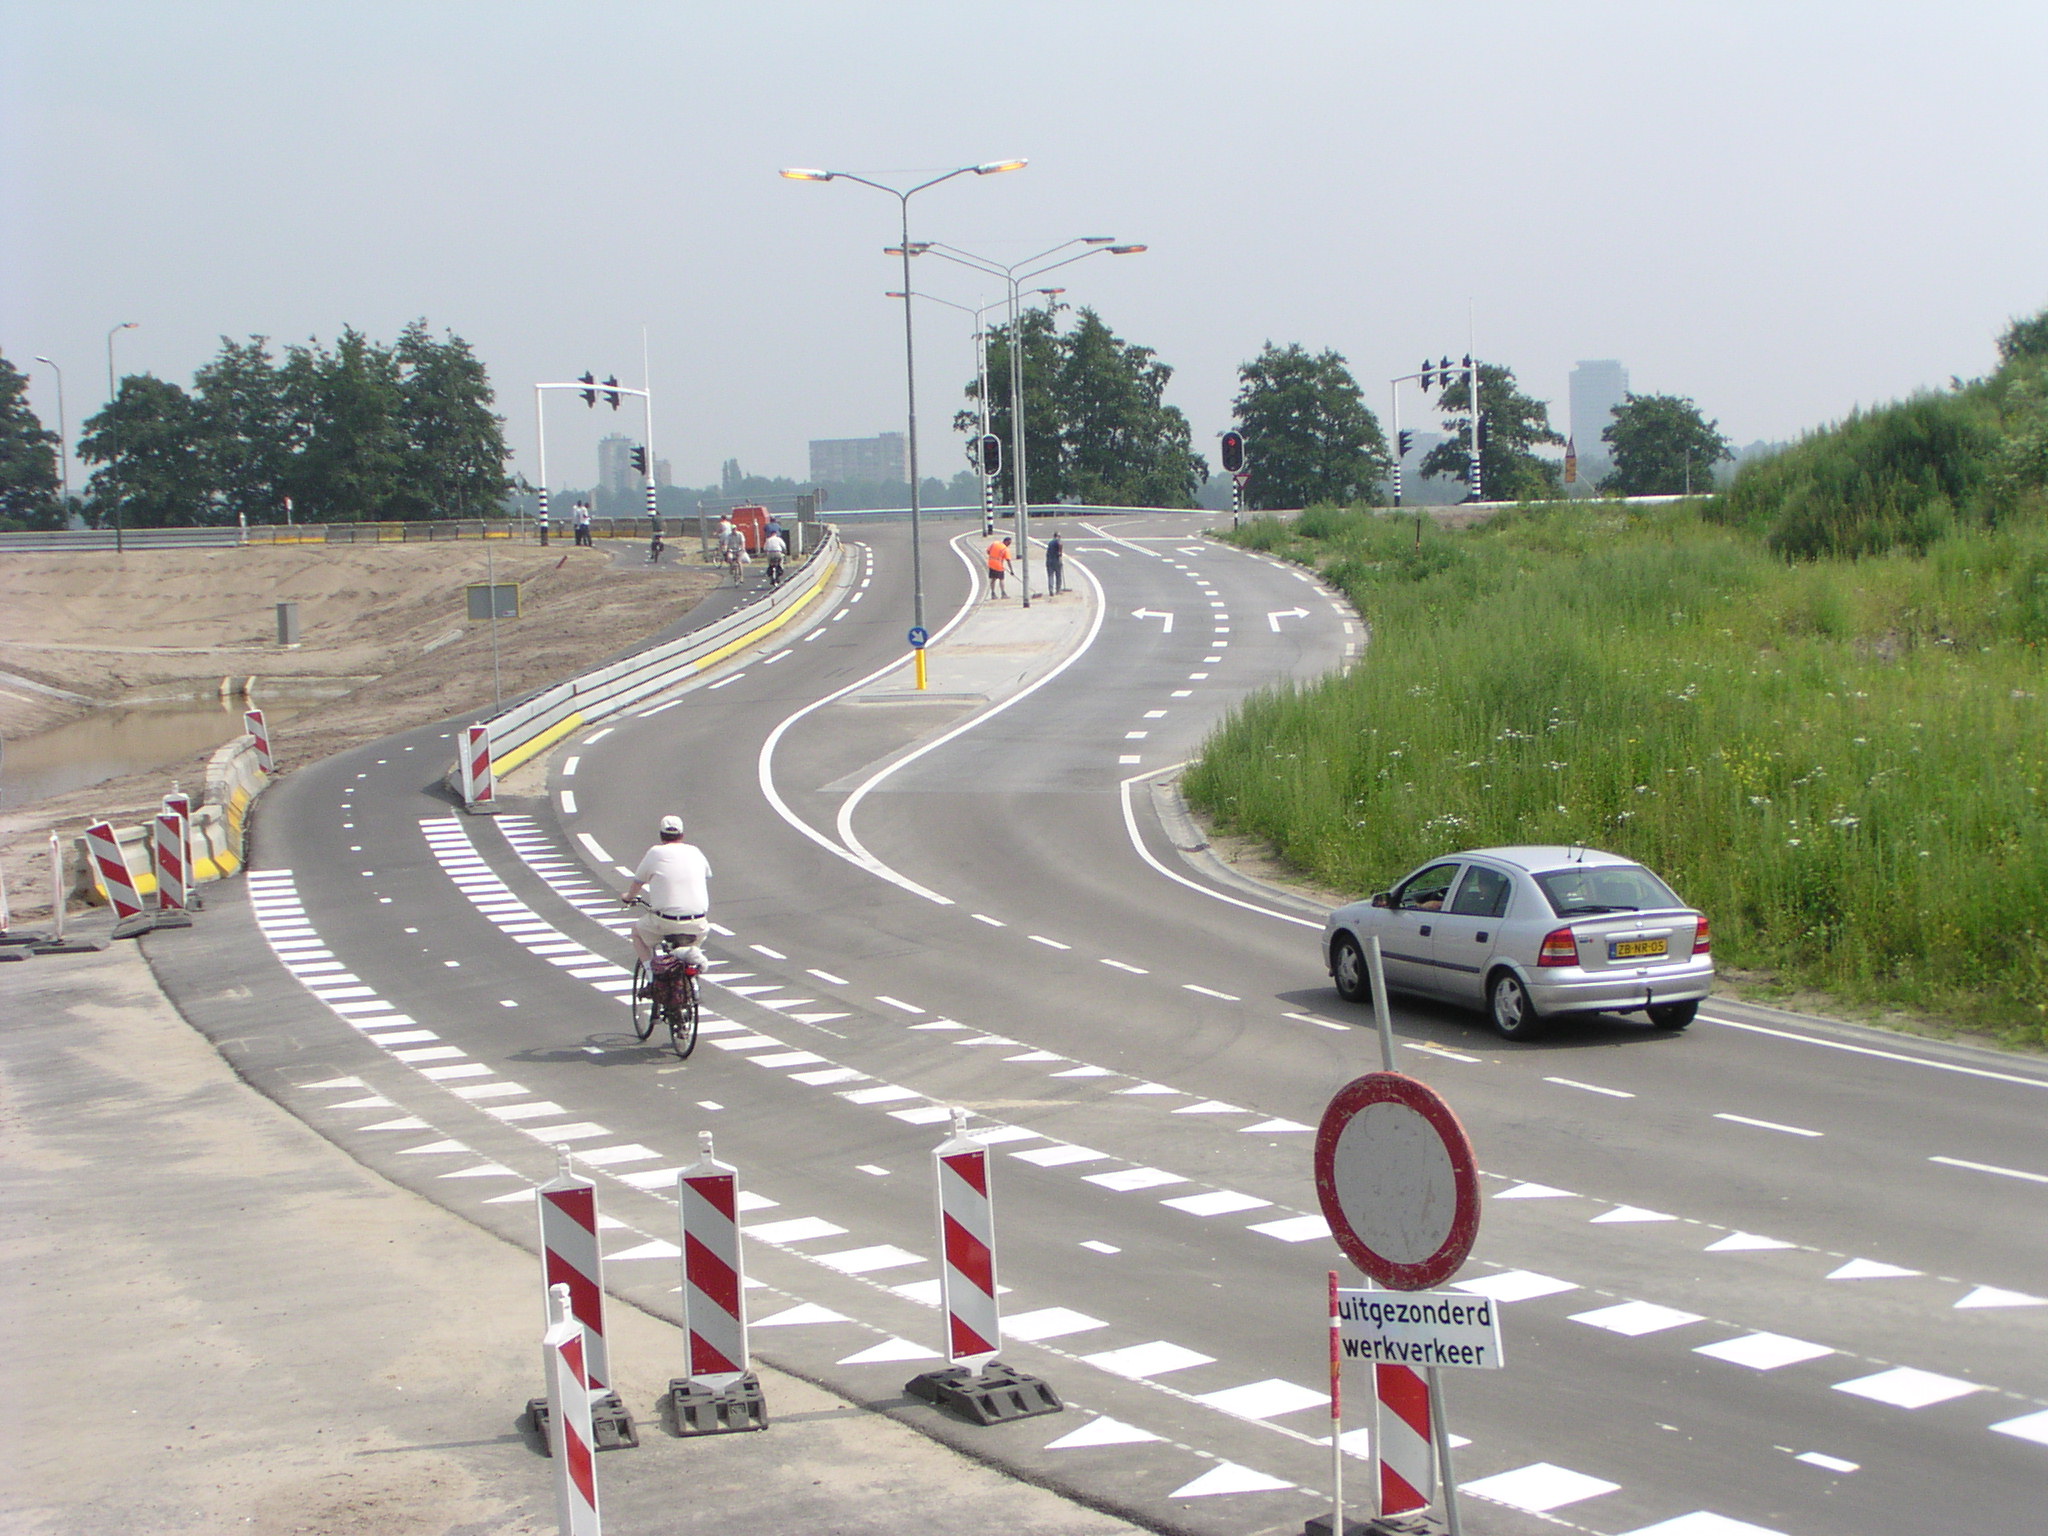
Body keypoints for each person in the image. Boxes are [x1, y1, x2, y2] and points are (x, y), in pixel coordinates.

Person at [622, 814, 712, 972]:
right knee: (693, 948)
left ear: (661, 835)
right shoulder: (695, 851)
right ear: (682, 835)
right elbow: (707, 874)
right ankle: (692, 970)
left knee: (636, 933)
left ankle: (651, 973)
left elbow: (638, 882)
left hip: (665, 922)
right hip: (698, 923)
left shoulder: (655, 853)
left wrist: (628, 897)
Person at [1044, 531, 1065, 596]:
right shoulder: (1057, 541)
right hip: (1056, 560)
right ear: (1057, 536)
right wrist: (1060, 553)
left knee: (1050, 576)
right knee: (1058, 576)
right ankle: (1058, 590)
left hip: (1049, 561)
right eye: (1059, 536)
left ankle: (1051, 590)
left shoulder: (1050, 543)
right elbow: (1060, 545)